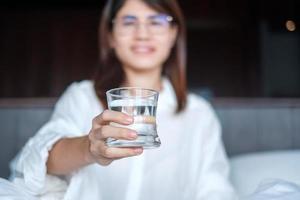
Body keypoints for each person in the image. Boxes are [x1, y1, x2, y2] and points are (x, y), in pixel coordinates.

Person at [7, 0, 237, 199]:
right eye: (128, 21)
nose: (143, 34)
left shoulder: (199, 114)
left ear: (173, 34)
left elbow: (215, 191)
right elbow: (40, 162)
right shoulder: (82, 96)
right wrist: (90, 148)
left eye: (156, 21)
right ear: (111, 36)